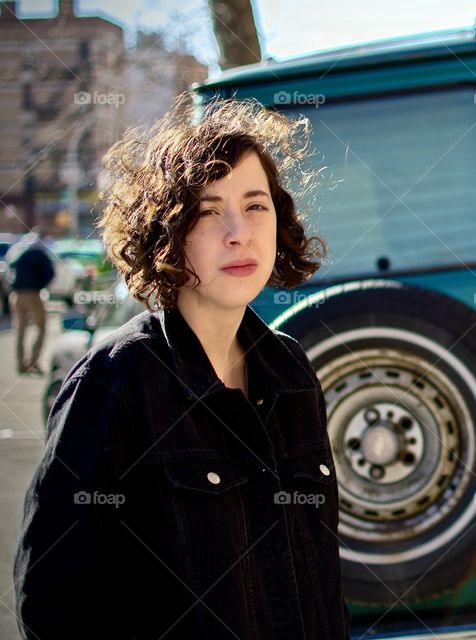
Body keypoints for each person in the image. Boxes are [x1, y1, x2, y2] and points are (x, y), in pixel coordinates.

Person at [13, 93, 351, 639]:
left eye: (256, 204)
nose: (239, 230)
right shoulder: (113, 384)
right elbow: (55, 607)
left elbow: (322, 582)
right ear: (165, 233)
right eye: (208, 211)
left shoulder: (289, 370)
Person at [6, 229, 55, 375]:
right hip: (33, 293)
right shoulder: (40, 252)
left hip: (16, 294)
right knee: (41, 327)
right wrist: (40, 286)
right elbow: (50, 273)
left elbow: (9, 270)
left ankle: (20, 363)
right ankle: (34, 362)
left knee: (20, 329)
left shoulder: (18, 249)